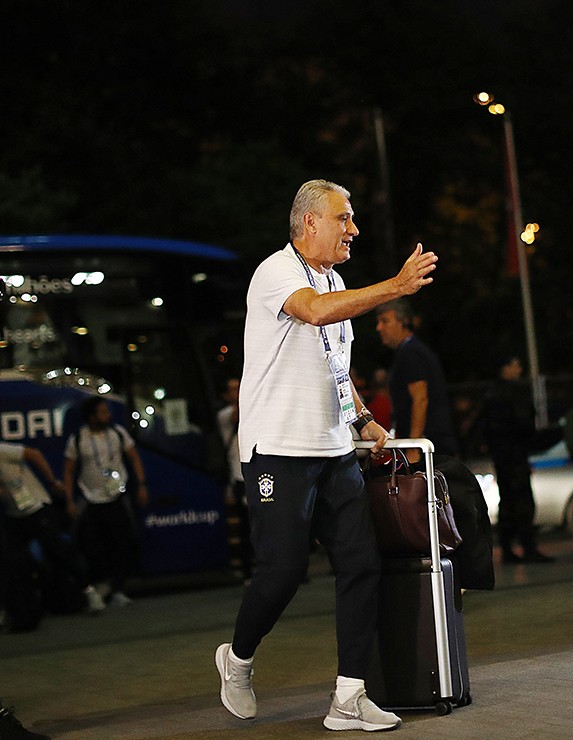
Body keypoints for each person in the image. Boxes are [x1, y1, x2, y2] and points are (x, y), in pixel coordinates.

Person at [215, 179, 436, 731]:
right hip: (277, 450)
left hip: (335, 450)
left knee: (361, 565)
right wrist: (395, 287)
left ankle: (349, 697)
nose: (353, 229)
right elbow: (314, 313)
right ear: (310, 221)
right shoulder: (276, 273)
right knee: (283, 571)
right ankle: (237, 660)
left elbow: (335, 365)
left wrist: (360, 416)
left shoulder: (334, 279)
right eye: (344, 218)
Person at [1, 442, 105, 620]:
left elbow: (34, 454)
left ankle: (89, 592)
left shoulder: (2, 450)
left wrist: (52, 481)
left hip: (36, 507)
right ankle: (9, 610)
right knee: (8, 562)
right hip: (14, 515)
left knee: (60, 552)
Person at [63, 396, 148, 608]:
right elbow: (69, 471)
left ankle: (118, 589)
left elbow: (134, 457)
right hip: (91, 499)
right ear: (91, 416)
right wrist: (69, 500)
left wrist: (141, 484)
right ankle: (99, 586)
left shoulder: (117, 433)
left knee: (123, 542)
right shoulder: (78, 439)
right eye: (102, 412)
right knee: (92, 546)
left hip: (117, 496)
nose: (107, 416)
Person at [482, 355, 552, 563]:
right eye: (515, 365)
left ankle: (507, 548)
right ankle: (528, 547)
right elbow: (524, 423)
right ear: (505, 368)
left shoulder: (491, 394)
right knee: (523, 501)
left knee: (507, 502)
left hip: (501, 455)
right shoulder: (514, 392)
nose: (519, 369)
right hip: (516, 453)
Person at [375, 298, 459, 458]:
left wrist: (414, 445)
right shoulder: (410, 350)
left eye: (385, 321)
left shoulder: (410, 352)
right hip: (430, 441)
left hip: (429, 444)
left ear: (403, 322)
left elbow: (420, 398)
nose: (379, 327)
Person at [217, 378, 252, 582]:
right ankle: (248, 571)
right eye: (233, 389)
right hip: (239, 477)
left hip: (256, 473)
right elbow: (236, 416)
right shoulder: (224, 415)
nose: (237, 391)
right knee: (246, 526)